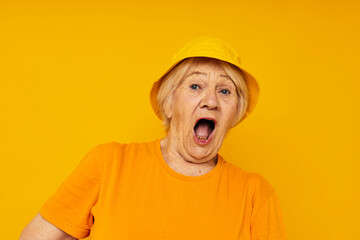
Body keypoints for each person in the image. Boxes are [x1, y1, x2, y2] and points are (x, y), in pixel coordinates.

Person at [20, 37, 287, 239]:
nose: (211, 101)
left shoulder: (256, 194)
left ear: (235, 114)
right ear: (168, 104)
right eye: (195, 86)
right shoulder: (109, 163)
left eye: (225, 91)